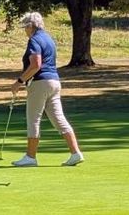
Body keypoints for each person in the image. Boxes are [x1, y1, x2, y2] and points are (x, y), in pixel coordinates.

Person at [11, 12, 83, 167]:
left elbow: (36, 64)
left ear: (31, 26)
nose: (25, 31)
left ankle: (30, 157)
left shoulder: (34, 40)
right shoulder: (49, 38)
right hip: (54, 82)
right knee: (59, 118)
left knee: (33, 119)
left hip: (40, 83)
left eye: (25, 27)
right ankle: (75, 153)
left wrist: (19, 81)